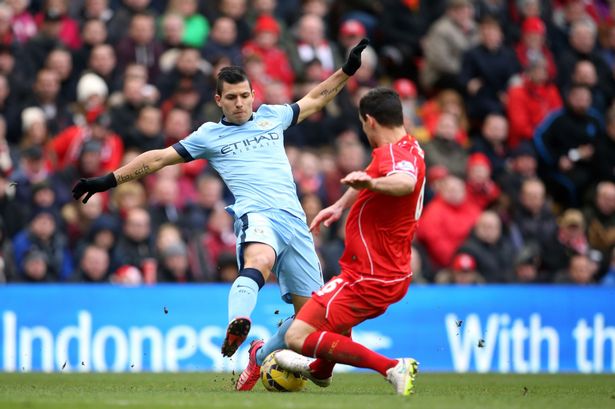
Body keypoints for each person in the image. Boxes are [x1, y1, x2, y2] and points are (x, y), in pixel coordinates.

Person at [72, 39, 369, 385]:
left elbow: (316, 98)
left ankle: (259, 355)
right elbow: (157, 158)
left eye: (244, 95)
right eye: (231, 97)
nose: (240, 103)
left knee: (311, 323)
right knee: (259, 261)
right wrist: (108, 180)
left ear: (253, 94)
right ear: (219, 100)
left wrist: (347, 70)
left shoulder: (273, 117)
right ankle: (237, 322)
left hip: (296, 223)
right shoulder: (208, 136)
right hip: (257, 215)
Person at [273, 87, 426, 396]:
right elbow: (373, 174)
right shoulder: (410, 146)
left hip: (369, 274)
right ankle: (320, 369)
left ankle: (391, 367)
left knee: (296, 336)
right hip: (389, 269)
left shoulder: (394, 156)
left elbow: (404, 182)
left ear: (369, 121)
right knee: (337, 320)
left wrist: (373, 183)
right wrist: (339, 206)